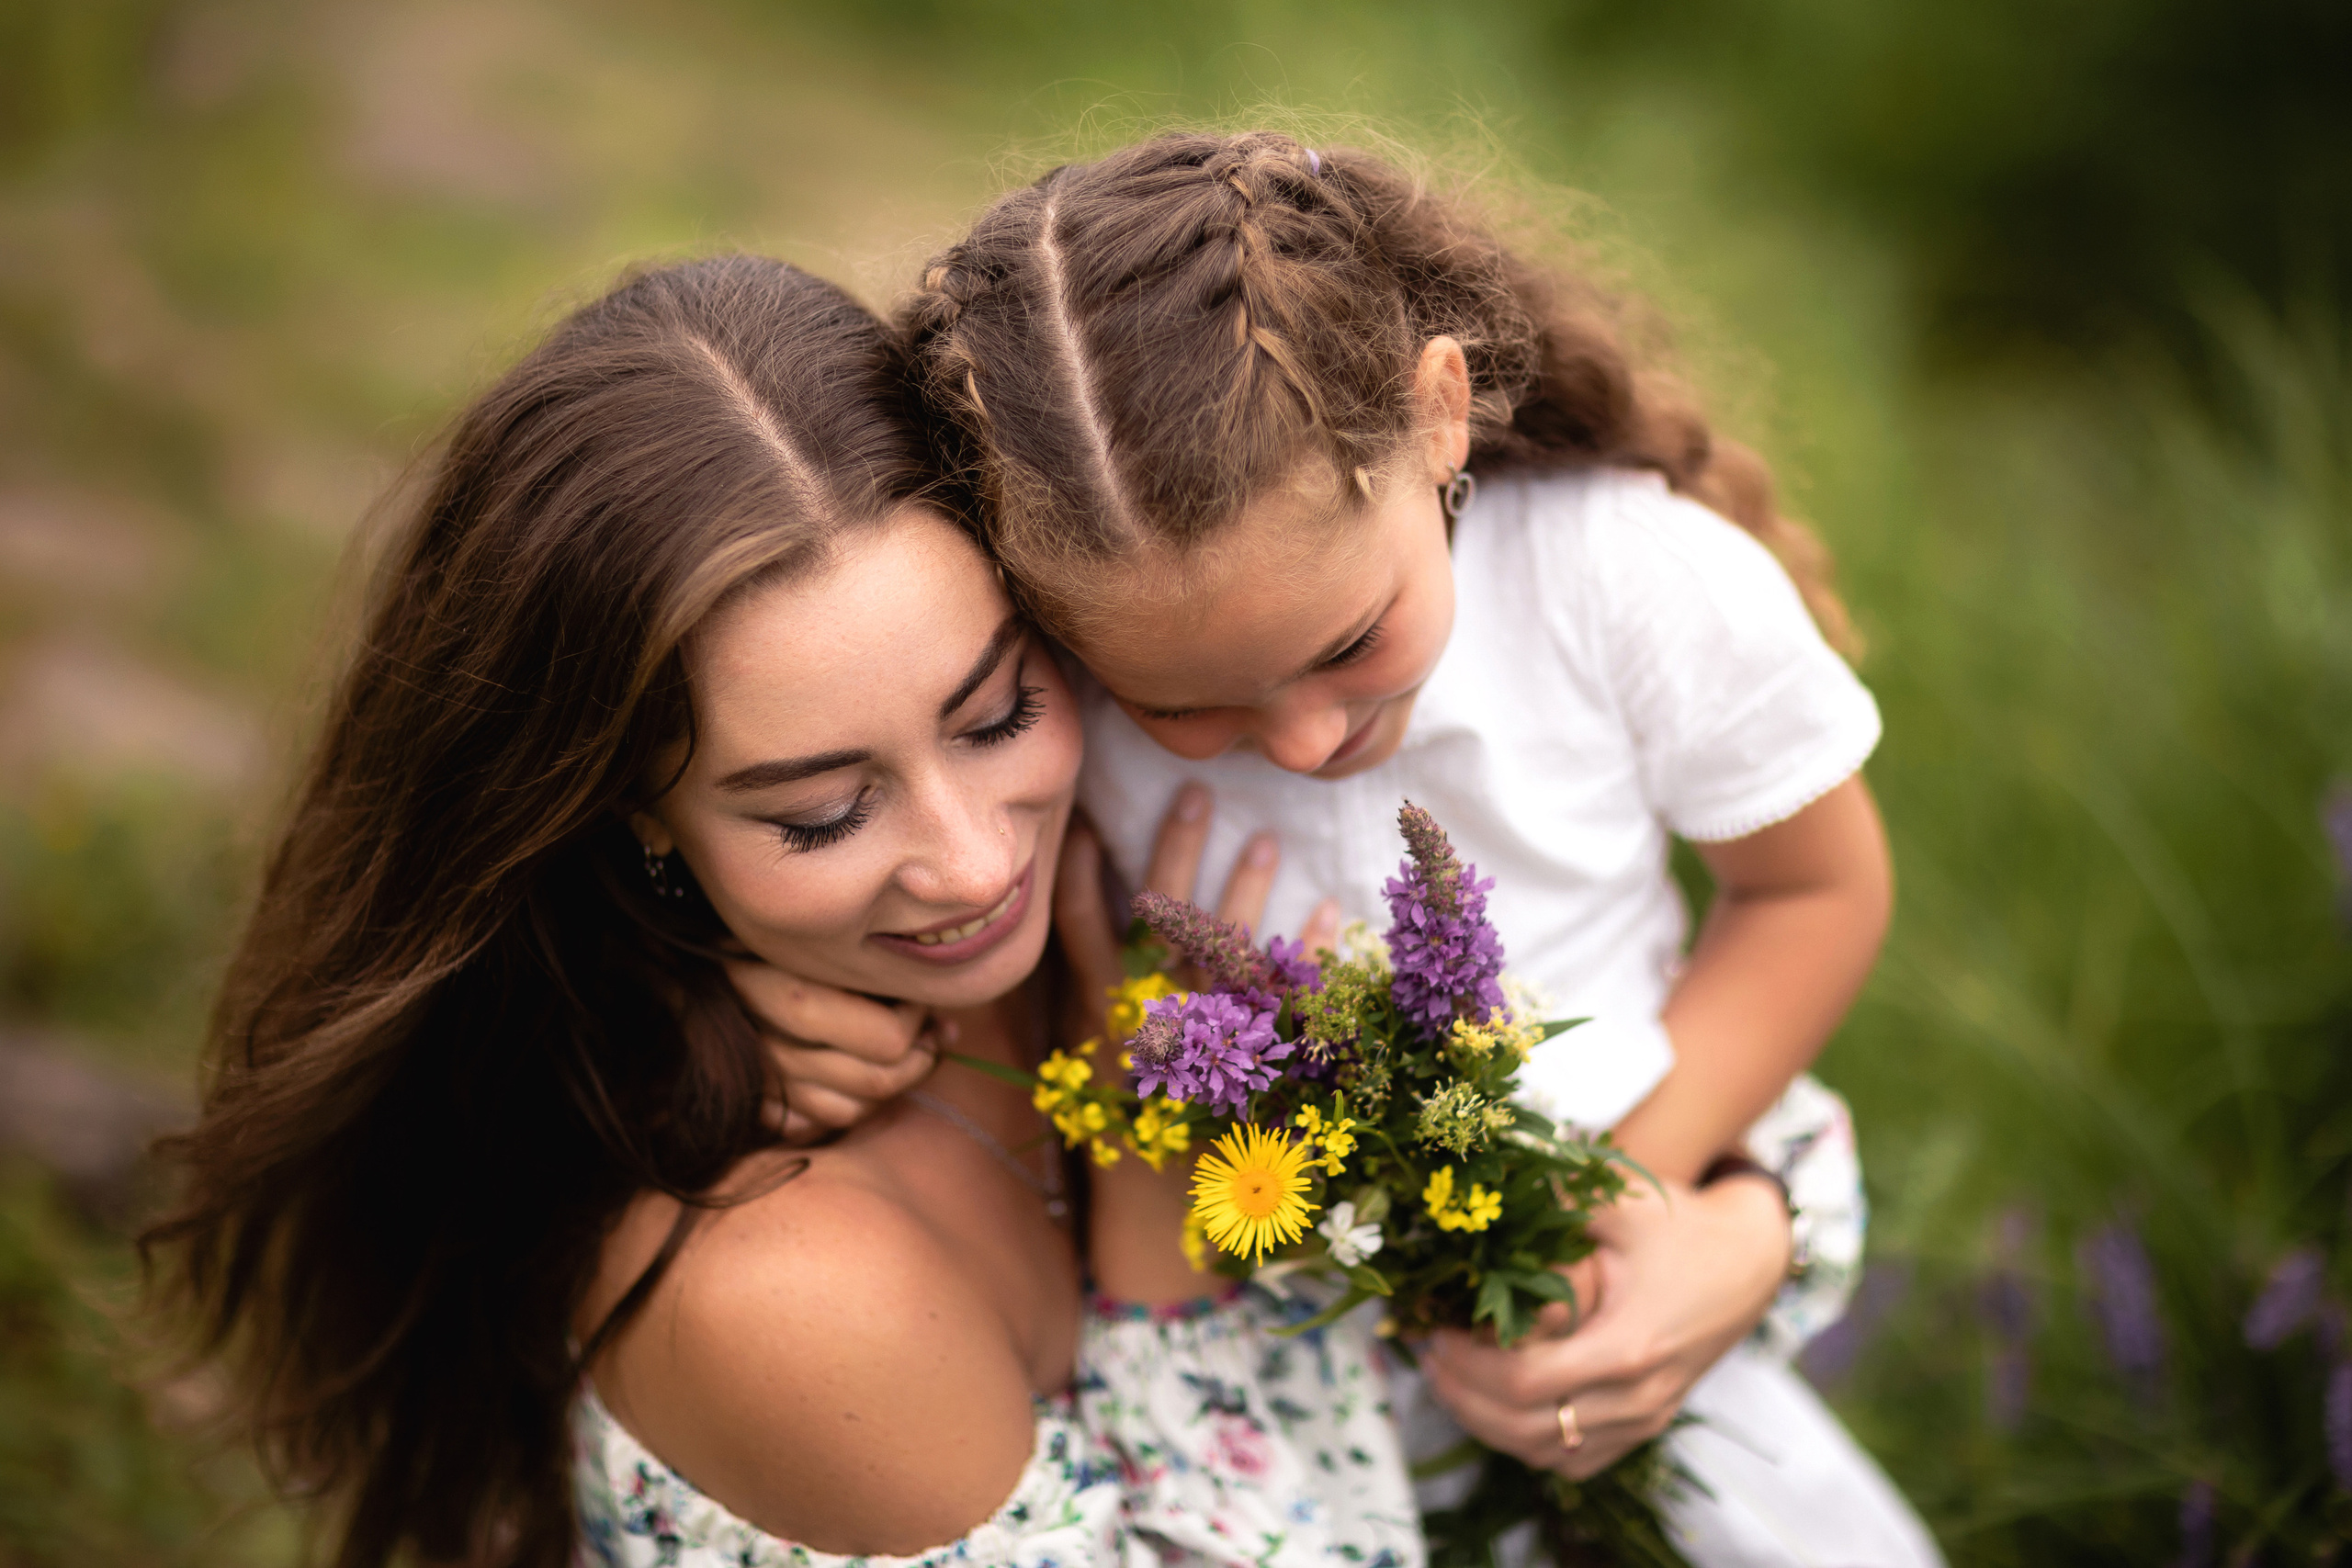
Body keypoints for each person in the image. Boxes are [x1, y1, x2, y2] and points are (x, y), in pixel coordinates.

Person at [760, 130, 1940, 1563]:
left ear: (1439, 414)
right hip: (1276, 1381)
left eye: (1349, 645)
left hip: (1606, 1290)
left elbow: (1815, 889)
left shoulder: (1621, 579)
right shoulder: (1063, 699)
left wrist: (1614, 1194)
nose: (1306, 739)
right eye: (1186, 708)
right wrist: (791, 1007)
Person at [140, 256, 1421, 1568]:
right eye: (821, 814)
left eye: (996, 716)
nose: (975, 865)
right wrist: (1159, 1201)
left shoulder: (1161, 825)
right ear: (630, 812)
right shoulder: (780, 1287)